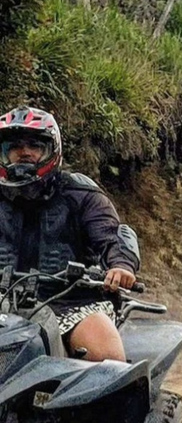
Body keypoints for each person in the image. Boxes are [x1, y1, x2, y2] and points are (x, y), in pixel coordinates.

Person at [0, 106, 139, 362]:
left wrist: (120, 266)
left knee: (106, 359)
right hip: (3, 300)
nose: (25, 152)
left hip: (70, 300)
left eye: (35, 145)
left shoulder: (81, 194)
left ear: (52, 150)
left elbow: (110, 235)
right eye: (15, 146)